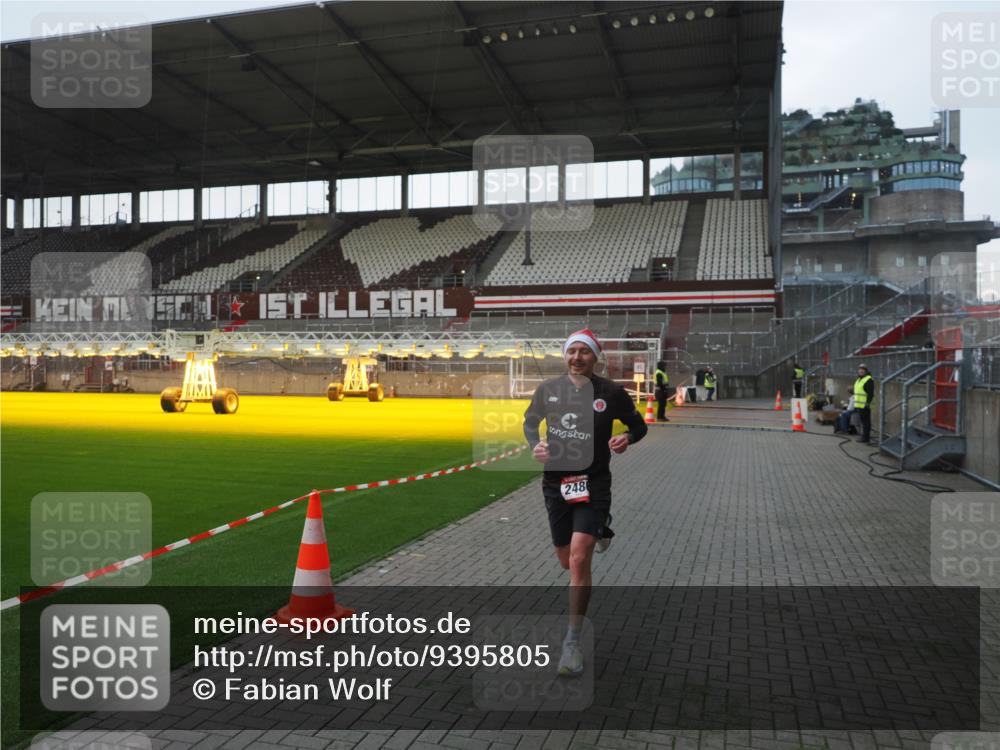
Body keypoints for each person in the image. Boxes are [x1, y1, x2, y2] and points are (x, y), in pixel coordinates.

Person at [523, 329, 648, 677]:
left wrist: (627, 436)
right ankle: (598, 529)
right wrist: (536, 444)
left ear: (596, 358)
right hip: (556, 484)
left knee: (579, 558)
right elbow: (530, 422)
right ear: (565, 356)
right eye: (572, 351)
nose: (577, 357)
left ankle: (572, 643)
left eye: (585, 352)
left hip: (593, 483)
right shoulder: (548, 390)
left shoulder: (611, 393)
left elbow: (640, 426)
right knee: (566, 561)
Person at [852, 364, 875, 443]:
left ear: (866, 371)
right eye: (860, 369)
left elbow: (870, 394)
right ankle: (864, 436)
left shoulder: (868, 380)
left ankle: (866, 438)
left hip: (865, 405)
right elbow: (858, 391)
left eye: (863, 369)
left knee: (866, 422)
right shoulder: (859, 379)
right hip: (859, 405)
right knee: (862, 422)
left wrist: (867, 404)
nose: (861, 371)